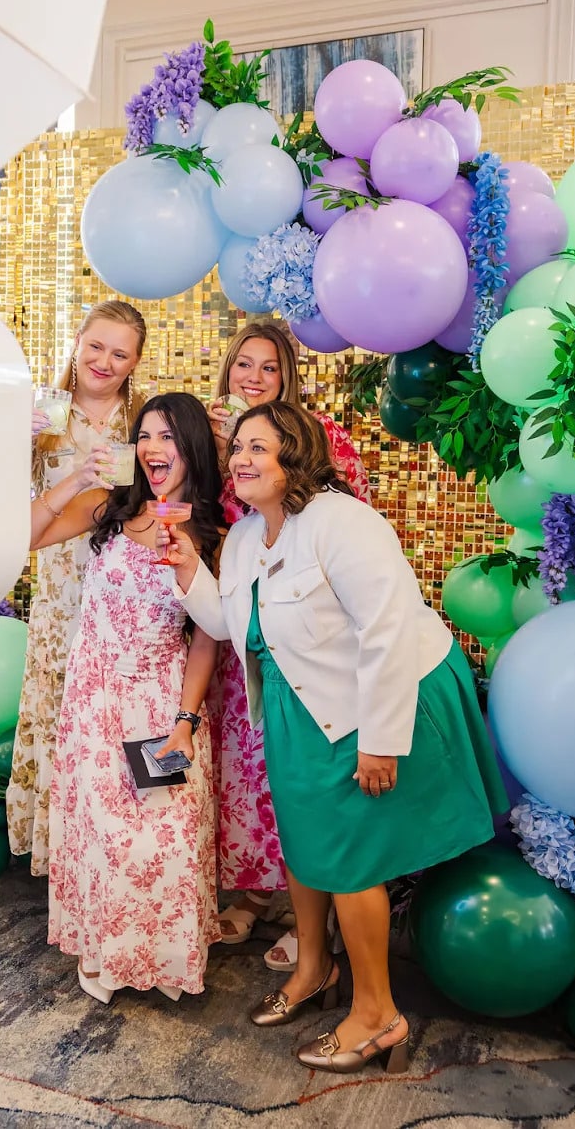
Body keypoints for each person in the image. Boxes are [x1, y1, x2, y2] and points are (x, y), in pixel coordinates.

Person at [161, 401, 507, 1072]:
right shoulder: (240, 538)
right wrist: (186, 571)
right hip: (298, 710)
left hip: (373, 700)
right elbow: (234, 627)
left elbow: (385, 632)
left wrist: (381, 739)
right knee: (304, 847)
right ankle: (314, 971)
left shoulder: (343, 522)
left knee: (349, 862)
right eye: (238, 447)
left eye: (259, 446)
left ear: (295, 455)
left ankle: (377, 1015)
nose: (240, 458)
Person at [28, 393, 224, 1002]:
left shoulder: (210, 531)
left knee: (163, 838)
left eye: (167, 436)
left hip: (161, 705)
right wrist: (73, 481)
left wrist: (186, 722)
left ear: (191, 446)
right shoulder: (110, 508)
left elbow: (207, 639)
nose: (152, 448)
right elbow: (23, 538)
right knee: (104, 838)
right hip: (94, 705)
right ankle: (106, 957)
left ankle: (166, 962)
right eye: (145, 435)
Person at [205, 319, 371, 972]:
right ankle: (253, 897)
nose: (252, 376)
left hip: (305, 633)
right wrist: (213, 453)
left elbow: (347, 512)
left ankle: (315, 928)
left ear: (288, 378)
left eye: (267, 367)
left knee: (302, 779)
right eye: (242, 363)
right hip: (237, 627)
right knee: (248, 772)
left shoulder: (318, 437)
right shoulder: (218, 437)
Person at [7, 300, 146, 872]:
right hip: (61, 594)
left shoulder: (141, 421)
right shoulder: (41, 415)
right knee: (61, 714)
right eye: (96, 346)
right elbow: (10, 510)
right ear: (77, 343)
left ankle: (112, 852)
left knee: (115, 722)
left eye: (120, 353)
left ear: (136, 362)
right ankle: (64, 856)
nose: (104, 361)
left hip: (125, 596)